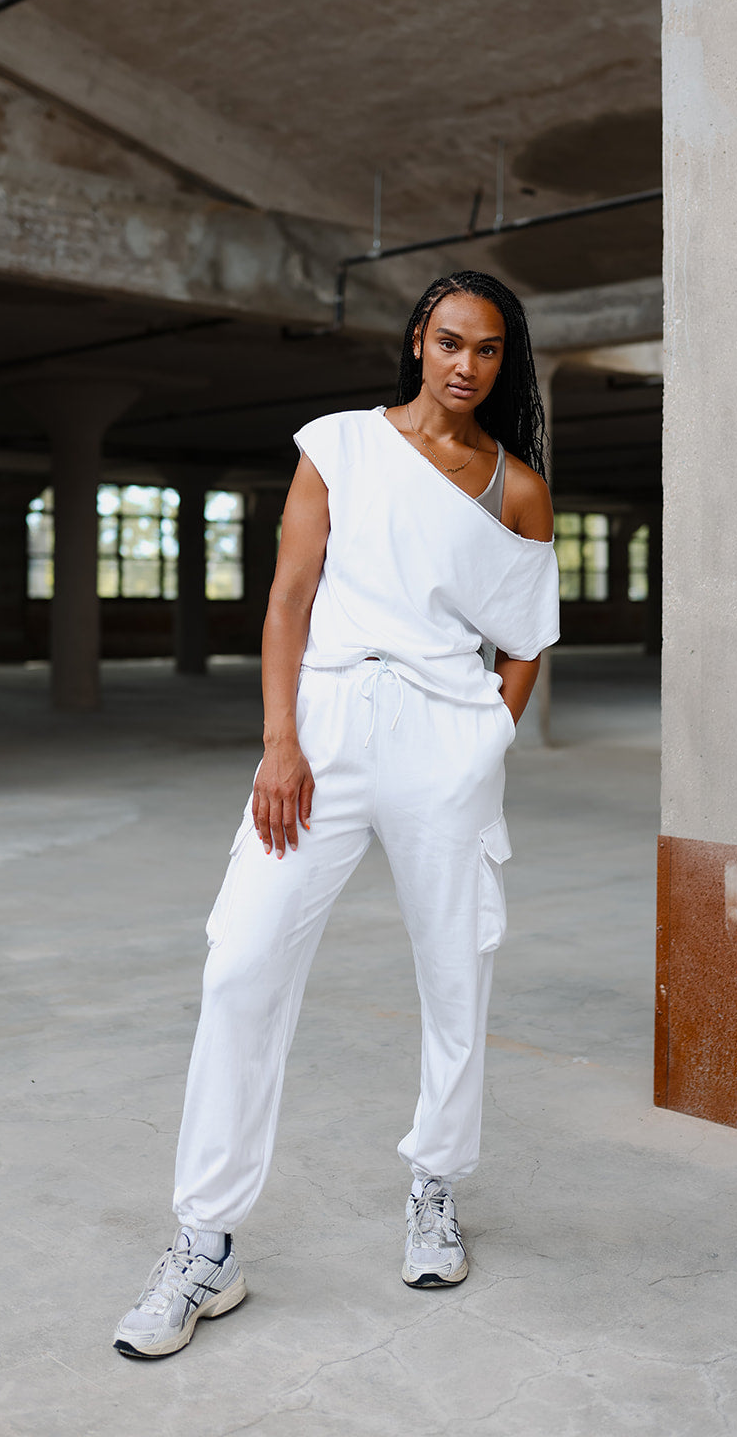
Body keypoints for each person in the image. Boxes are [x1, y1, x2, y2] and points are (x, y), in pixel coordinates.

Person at [113, 269, 560, 1359]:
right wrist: (280, 739)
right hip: (324, 724)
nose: (464, 364)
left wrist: (482, 744)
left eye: (487, 350)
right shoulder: (341, 445)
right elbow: (287, 601)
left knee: (456, 969)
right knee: (240, 962)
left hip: (444, 735)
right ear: (416, 341)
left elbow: (526, 640)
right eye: (448, 340)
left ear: (504, 363)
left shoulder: (515, 486)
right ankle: (205, 1245)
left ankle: (434, 1185)